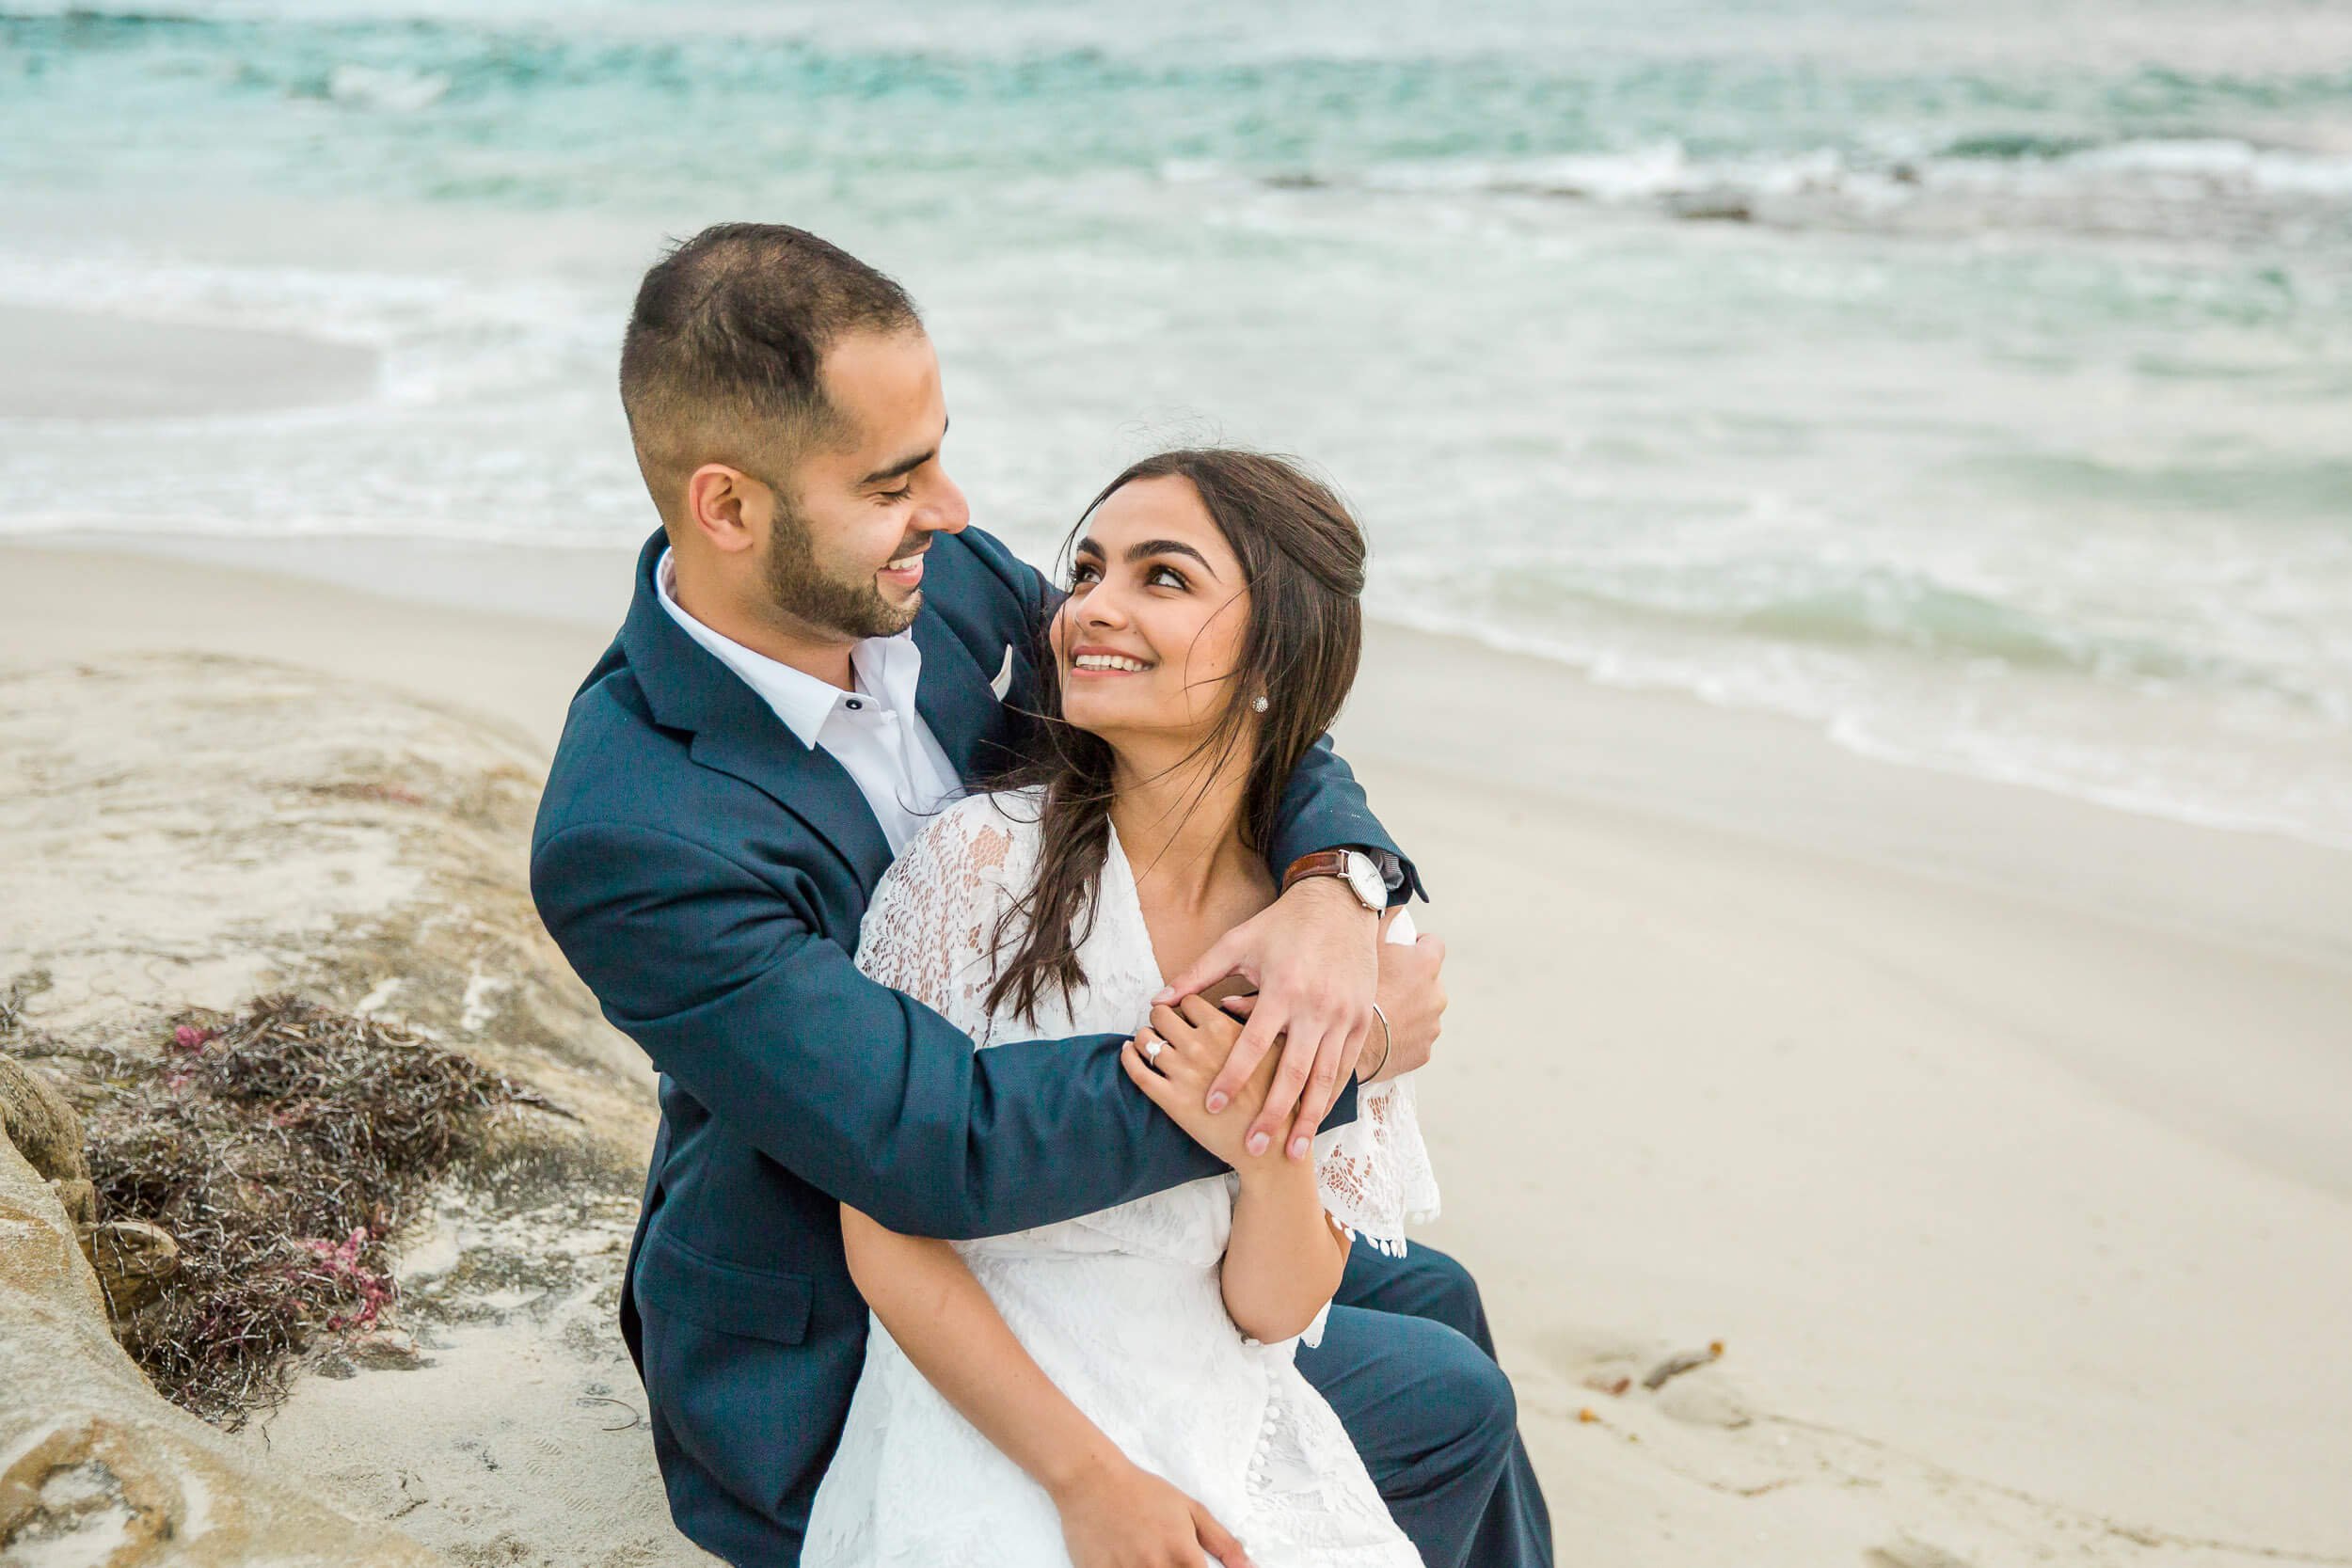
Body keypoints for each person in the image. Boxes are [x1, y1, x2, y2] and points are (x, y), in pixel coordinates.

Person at [529, 223, 1550, 1567]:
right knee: (1443, 1404)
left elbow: (1224, 708)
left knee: (1443, 1295)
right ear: (728, 506)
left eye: (940, 448)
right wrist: (1311, 1060)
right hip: (845, 1324)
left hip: (1088, 1218)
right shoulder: (634, 825)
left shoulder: (933, 591)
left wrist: (1334, 887)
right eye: (897, 477)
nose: (952, 509)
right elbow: (925, 1140)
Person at [804, 447, 1441, 1568]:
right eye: (1089, 568)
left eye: (1162, 577)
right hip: (984, 1396)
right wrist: (1085, 1478)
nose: (1088, 606)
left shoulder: (1340, 950)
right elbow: (883, 1228)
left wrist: (1267, 1150)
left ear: (1272, 657)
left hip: (1216, 1387)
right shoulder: (977, 861)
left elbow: (1275, 1307)